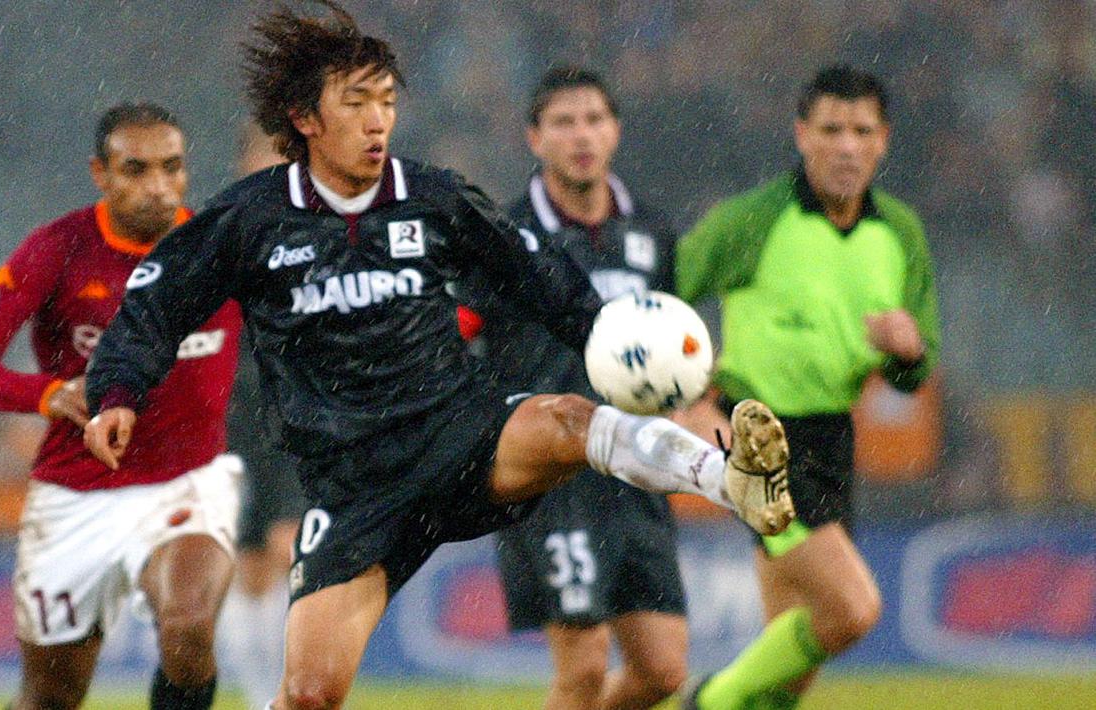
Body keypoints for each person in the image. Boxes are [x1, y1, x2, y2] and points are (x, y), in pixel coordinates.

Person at [81, 4, 794, 708]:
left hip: (461, 435)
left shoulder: (433, 197)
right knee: (307, 694)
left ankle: (731, 481)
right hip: (354, 488)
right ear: (304, 118)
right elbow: (154, 303)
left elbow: (540, 279)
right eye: (355, 103)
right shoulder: (250, 218)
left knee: (572, 418)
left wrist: (608, 337)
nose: (376, 121)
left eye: (386, 102)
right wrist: (116, 392)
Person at [0, 102, 243, 710]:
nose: (158, 187)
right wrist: (49, 394)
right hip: (76, 496)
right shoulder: (59, 248)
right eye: (136, 170)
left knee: (188, 625)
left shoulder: (219, 247)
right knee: (50, 697)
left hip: (187, 482)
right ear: (100, 173)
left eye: (172, 168)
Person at [675, 65, 940, 710]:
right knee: (852, 609)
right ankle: (708, 701)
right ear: (802, 135)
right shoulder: (752, 221)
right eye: (831, 129)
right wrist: (688, 395)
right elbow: (661, 295)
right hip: (756, 433)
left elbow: (917, 363)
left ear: (883, 141)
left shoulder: (899, 233)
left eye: (861, 130)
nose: (846, 145)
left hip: (830, 437)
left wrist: (908, 351)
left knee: (793, 652)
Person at [457, 66, 687, 709]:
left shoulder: (652, 232)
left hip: (635, 466)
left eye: (593, 119)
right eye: (563, 121)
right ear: (534, 137)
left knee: (663, 671)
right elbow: (454, 336)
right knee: (581, 669)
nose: (581, 135)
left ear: (614, 130)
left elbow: (673, 341)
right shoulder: (502, 237)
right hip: (553, 475)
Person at [226, 121, 309, 709]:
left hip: (298, 417)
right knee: (248, 566)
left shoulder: (318, 233)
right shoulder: (221, 235)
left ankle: (302, 691)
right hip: (232, 416)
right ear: (244, 162)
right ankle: (263, 698)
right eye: (264, 156)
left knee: (291, 550)